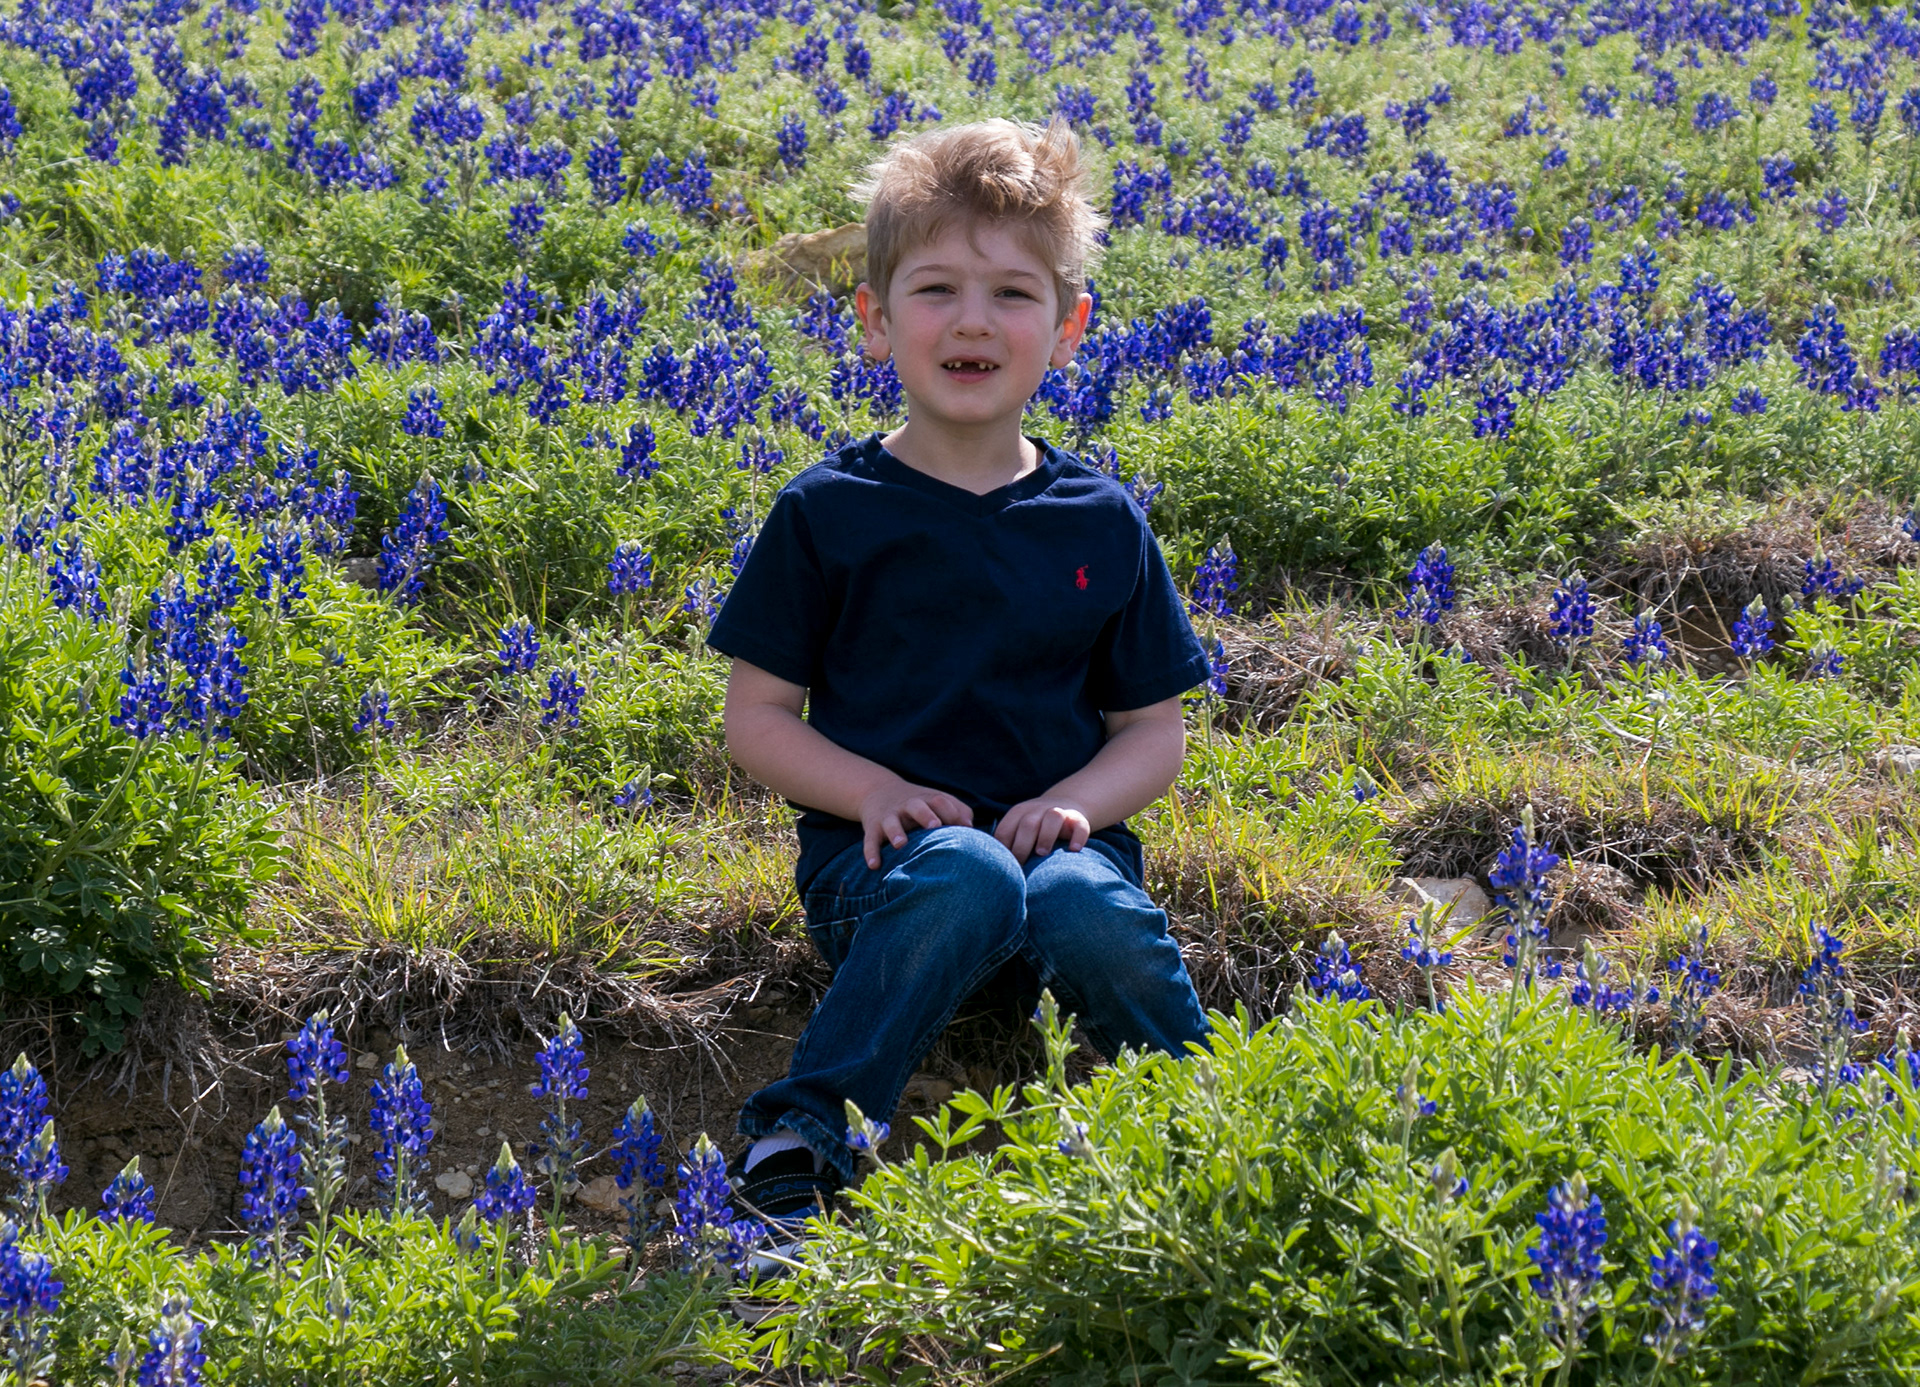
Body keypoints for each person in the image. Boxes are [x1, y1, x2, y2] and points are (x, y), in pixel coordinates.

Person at [705, 117, 1214, 1271]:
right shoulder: (827, 513)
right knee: (970, 873)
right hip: (889, 880)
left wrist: (1083, 805)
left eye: (1012, 294)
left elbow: (1152, 733)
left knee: (1088, 904)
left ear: (1067, 327)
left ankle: (1216, 1121)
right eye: (935, 288)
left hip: (1061, 865)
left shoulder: (1101, 519)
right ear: (876, 321)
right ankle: (802, 1136)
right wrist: (873, 789)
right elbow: (759, 718)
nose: (973, 319)